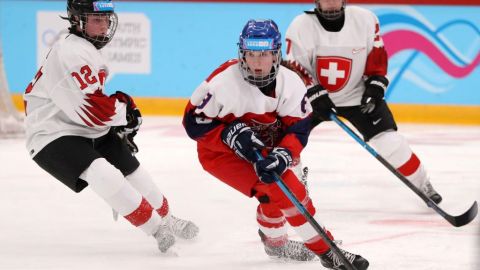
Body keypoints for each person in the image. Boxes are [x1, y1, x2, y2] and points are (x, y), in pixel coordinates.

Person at [183, 19, 369, 269]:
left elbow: (299, 128)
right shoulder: (221, 83)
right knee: (289, 190)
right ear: (242, 53)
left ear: (276, 54)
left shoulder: (290, 83)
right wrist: (228, 134)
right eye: (251, 54)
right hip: (220, 155)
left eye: (265, 54)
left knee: (274, 195)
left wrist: (284, 153)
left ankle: (275, 244)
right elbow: (192, 122)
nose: (257, 62)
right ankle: (328, 251)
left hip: (269, 147)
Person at [23, 0, 198, 253]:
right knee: (103, 173)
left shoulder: (84, 48)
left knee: (133, 171)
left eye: (106, 19)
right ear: (77, 21)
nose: (104, 26)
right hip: (51, 133)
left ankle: (168, 220)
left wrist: (120, 114)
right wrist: (124, 111)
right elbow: (94, 112)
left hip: (79, 126)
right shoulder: (70, 52)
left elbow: (92, 110)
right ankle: (157, 229)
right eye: (96, 20)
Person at [284, 0, 443, 204]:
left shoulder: (365, 19)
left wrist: (375, 86)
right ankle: (293, 191)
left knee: (391, 143)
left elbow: (376, 57)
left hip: (356, 96)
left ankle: (423, 185)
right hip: (312, 100)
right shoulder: (301, 25)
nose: (331, 2)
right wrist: (313, 93)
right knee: (287, 144)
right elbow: (295, 66)